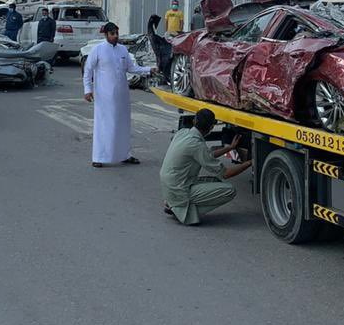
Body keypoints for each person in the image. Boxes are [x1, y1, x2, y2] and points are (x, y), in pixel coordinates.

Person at [160, 108, 251, 226]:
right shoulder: (197, 145)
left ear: (194, 121)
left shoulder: (182, 133)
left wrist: (229, 148)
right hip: (179, 190)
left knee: (215, 181)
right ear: (211, 127)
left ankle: (172, 203)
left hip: (170, 186)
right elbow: (226, 173)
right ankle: (181, 210)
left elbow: (206, 155)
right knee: (229, 190)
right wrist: (250, 163)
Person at [83, 22, 152, 167]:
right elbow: (88, 71)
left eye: (116, 33)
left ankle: (124, 155)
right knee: (104, 125)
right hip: (104, 96)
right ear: (106, 34)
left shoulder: (122, 50)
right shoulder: (98, 50)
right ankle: (99, 157)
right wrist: (87, 90)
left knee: (123, 125)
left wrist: (149, 70)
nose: (115, 36)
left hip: (121, 95)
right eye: (112, 33)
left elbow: (131, 68)